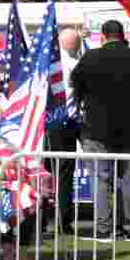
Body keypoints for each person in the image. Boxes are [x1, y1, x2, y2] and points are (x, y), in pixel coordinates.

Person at [71, 19, 130, 241]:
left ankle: (103, 230)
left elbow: (75, 87)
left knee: (100, 180)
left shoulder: (90, 58)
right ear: (122, 35)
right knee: (129, 179)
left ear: (103, 36)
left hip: (95, 130)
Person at [47, 27, 83, 235]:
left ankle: (43, 220)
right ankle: (62, 220)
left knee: (45, 172)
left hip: (46, 122)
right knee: (64, 174)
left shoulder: (47, 64)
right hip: (64, 122)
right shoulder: (75, 65)